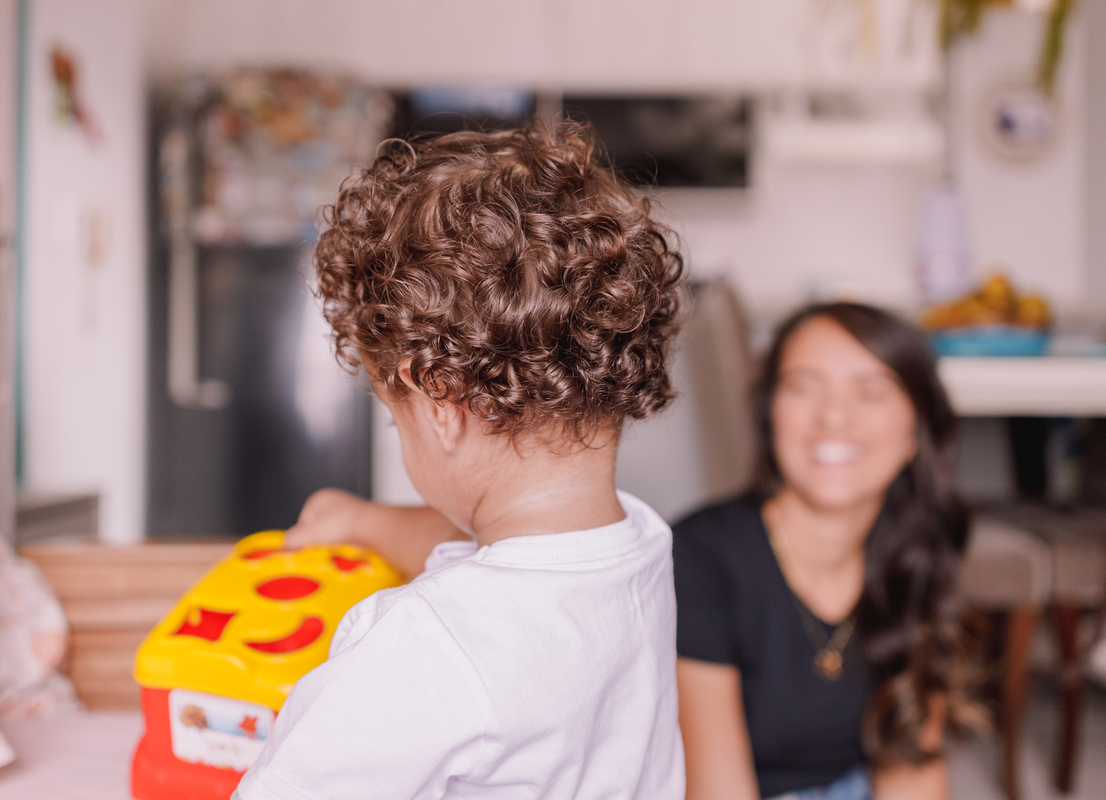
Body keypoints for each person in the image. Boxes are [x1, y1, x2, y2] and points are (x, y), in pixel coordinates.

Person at [234, 120, 688, 800]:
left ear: (439, 402)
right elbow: (479, 558)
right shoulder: (638, 549)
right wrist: (358, 518)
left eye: (397, 416)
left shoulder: (419, 647)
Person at [673, 303, 982, 800]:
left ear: (915, 434)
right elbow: (716, 789)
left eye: (870, 392)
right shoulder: (699, 559)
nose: (834, 416)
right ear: (770, 414)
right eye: (804, 387)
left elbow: (911, 771)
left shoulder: (918, 549)